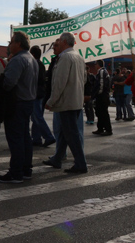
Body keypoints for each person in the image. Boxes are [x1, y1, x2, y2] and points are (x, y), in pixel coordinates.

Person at [0, 31, 39, 183]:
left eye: (11, 42)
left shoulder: (17, 60)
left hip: (16, 103)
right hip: (28, 101)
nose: (9, 45)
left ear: (18, 44)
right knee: (24, 137)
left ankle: (16, 172)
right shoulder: (32, 59)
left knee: (15, 139)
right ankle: (26, 169)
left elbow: (8, 83)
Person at [44, 32, 88, 173]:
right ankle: (57, 158)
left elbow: (59, 82)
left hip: (66, 102)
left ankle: (81, 164)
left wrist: (51, 100)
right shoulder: (79, 57)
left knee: (71, 134)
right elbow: (84, 79)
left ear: (63, 42)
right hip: (76, 100)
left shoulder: (64, 57)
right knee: (65, 132)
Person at [30, 46, 55, 148]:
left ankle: (48, 136)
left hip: (35, 93)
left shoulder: (34, 64)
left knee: (37, 117)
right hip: (40, 93)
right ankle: (36, 139)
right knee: (36, 117)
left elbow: (34, 80)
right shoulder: (41, 64)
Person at [91, 60, 112, 136]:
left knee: (104, 113)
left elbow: (101, 84)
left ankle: (108, 130)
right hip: (101, 96)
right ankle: (100, 128)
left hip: (102, 96)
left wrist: (97, 94)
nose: (94, 66)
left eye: (95, 64)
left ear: (98, 64)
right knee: (99, 113)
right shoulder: (101, 72)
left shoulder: (102, 71)